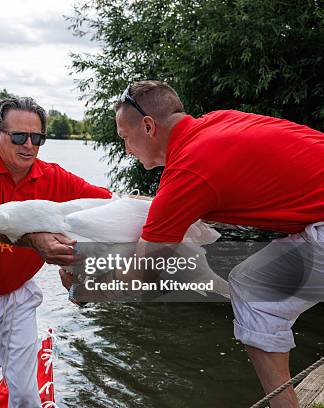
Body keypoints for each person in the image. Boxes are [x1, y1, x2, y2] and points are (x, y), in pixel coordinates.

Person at [114, 80, 324, 407]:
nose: (127, 149)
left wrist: (79, 276)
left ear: (148, 126)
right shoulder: (217, 123)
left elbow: (143, 274)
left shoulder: (188, 170)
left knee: (253, 291)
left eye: (125, 138)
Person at [0, 96, 111, 407]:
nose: (28, 145)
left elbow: (109, 206)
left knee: (27, 396)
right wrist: (36, 240)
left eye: (37, 138)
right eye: (19, 136)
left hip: (18, 301)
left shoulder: (53, 177)